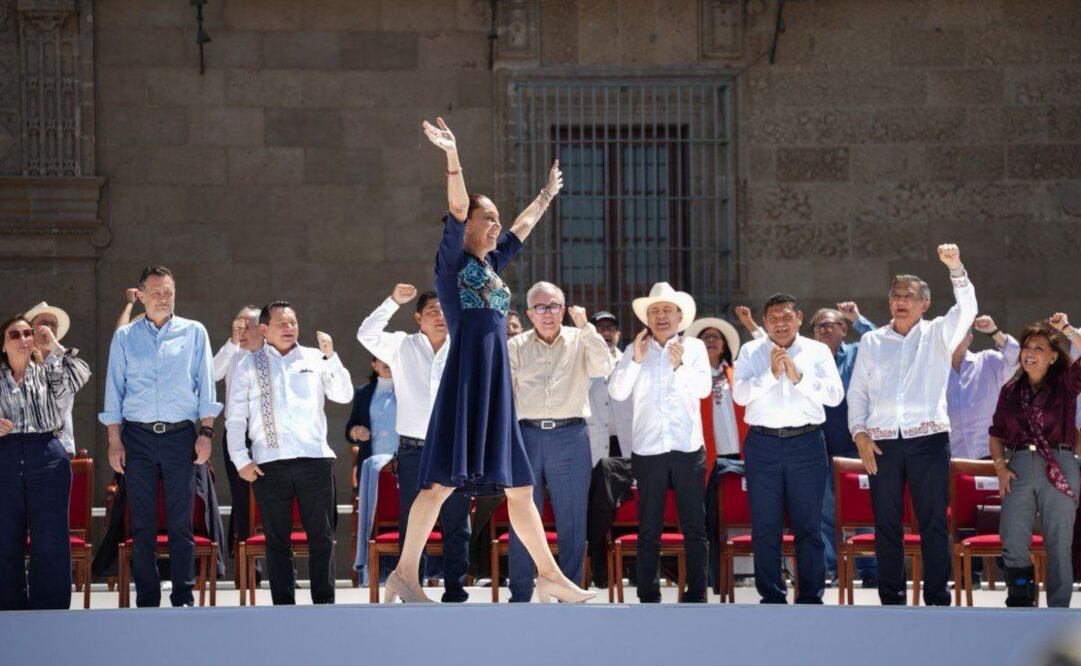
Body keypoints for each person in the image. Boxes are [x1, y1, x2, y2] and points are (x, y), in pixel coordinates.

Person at [384, 117, 592, 603]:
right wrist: (452, 156)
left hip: (497, 386)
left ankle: (549, 575)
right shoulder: (452, 262)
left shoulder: (490, 266)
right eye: (488, 218)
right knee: (437, 486)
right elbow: (458, 203)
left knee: (519, 488)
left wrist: (544, 197)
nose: (496, 224)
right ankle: (406, 574)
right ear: (467, 225)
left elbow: (518, 230)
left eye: (496, 218)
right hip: (467, 382)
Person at [848, 243, 977, 606]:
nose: (901, 300)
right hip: (882, 443)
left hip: (928, 439)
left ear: (925, 304)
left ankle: (937, 598)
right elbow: (857, 391)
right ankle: (891, 599)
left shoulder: (939, 333)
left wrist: (955, 267)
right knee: (886, 523)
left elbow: (967, 308)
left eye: (910, 296)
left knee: (933, 521)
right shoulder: (872, 341)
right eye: (896, 295)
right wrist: (858, 432)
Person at [99, 266, 222, 607]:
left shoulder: (194, 332)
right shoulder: (124, 337)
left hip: (180, 436)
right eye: (156, 291)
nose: (163, 297)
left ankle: (183, 594)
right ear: (140, 296)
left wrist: (206, 433)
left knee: (181, 523)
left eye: (168, 291)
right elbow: (115, 391)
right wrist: (114, 440)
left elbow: (206, 386)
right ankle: (148, 598)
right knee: (142, 524)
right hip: (136, 437)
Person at [226, 302, 352, 605]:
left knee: (321, 537)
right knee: (277, 540)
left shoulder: (315, 357)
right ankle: (284, 609)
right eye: (281, 323)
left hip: (315, 460)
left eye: (293, 322)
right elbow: (234, 418)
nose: (289, 328)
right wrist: (240, 459)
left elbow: (344, 395)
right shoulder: (247, 364)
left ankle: (324, 605)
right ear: (264, 330)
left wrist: (332, 356)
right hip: (270, 465)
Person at [357, 283, 472, 601]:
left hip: (453, 448)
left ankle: (455, 589)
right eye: (433, 311)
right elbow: (365, 334)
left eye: (445, 310)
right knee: (413, 519)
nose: (440, 316)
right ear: (418, 318)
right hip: (414, 450)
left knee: (457, 522)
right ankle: (411, 585)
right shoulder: (401, 345)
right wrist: (392, 301)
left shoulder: (462, 347)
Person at [733, 293, 844, 604]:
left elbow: (835, 395)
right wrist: (770, 376)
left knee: (809, 524)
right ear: (765, 322)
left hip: (806, 443)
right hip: (763, 444)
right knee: (765, 524)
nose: (780, 324)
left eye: (786, 317)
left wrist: (799, 377)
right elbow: (740, 395)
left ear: (798, 318)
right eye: (773, 319)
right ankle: (771, 595)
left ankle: (810, 595)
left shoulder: (818, 351)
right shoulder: (751, 351)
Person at [507, 281, 613, 601]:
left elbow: (603, 367)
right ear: (529, 313)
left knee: (572, 517)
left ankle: (568, 589)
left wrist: (587, 327)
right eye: (540, 308)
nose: (548, 314)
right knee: (523, 516)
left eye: (554, 306)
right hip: (524, 435)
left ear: (564, 309)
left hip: (570, 435)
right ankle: (521, 591)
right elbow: (505, 396)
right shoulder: (515, 346)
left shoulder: (581, 339)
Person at [609, 282, 712, 603]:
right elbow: (617, 392)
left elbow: (703, 390)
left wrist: (680, 366)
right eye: (655, 311)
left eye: (667, 310)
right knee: (649, 526)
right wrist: (636, 361)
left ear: (680, 317)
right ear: (647, 319)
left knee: (694, 525)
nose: (661, 316)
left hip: (687, 448)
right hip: (648, 450)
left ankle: (696, 592)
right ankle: (647, 593)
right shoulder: (634, 349)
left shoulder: (694, 349)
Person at [989, 315, 1081, 608]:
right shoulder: (1010, 391)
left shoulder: (1064, 385)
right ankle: (1021, 600)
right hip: (1018, 465)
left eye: (1039, 348)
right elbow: (996, 434)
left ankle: (1058, 610)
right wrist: (1001, 467)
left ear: (1054, 357)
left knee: (1058, 542)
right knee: (1013, 537)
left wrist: (1066, 329)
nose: (1030, 353)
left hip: (1060, 463)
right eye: (1027, 347)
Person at [0, 315, 90, 610]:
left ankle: (49, 609)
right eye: (15, 334)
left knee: (50, 535)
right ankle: (7, 606)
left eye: (28, 332)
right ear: (4, 344)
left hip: (46, 454)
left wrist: (53, 345)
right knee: (4, 534)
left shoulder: (47, 370)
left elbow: (80, 375)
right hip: (5, 455)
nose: (25, 338)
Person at [810, 303, 877, 587]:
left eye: (829, 325)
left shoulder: (857, 352)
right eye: (818, 326)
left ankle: (871, 570)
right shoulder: (808, 358)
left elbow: (879, 340)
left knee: (863, 508)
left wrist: (858, 318)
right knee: (824, 512)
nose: (823, 330)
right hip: (819, 445)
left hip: (856, 444)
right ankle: (833, 568)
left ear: (843, 329)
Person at [212, 306, 263, 572]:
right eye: (238, 324)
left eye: (248, 325)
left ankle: (284, 565)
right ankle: (248, 569)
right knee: (243, 498)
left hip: (267, 436)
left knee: (274, 500)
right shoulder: (232, 352)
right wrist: (232, 342)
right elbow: (211, 374)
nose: (242, 330)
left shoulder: (271, 353)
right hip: (237, 436)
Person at [349, 358, 399, 585]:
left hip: (403, 466)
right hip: (373, 470)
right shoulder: (364, 392)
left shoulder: (408, 388)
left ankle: (410, 575)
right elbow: (350, 428)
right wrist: (356, 431)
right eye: (381, 357)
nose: (386, 361)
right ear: (373, 364)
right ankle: (373, 576)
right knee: (375, 521)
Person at [947, 315, 1020, 460]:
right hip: (954, 459)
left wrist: (994, 331)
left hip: (992, 456)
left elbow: (1015, 356)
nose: (955, 338)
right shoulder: (934, 372)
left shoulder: (987, 361)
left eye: (960, 333)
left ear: (970, 339)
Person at [23, 302, 78, 456]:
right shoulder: (19, 360)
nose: (48, 328)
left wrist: (54, 344)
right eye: (43, 323)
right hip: (26, 447)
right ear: (30, 329)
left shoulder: (64, 359)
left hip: (60, 445)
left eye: (53, 324)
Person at [585, 311, 633, 464]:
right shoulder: (582, 363)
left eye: (610, 328)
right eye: (600, 328)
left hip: (626, 443)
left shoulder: (630, 362)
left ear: (618, 334)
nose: (606, 332)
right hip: (595, 444)